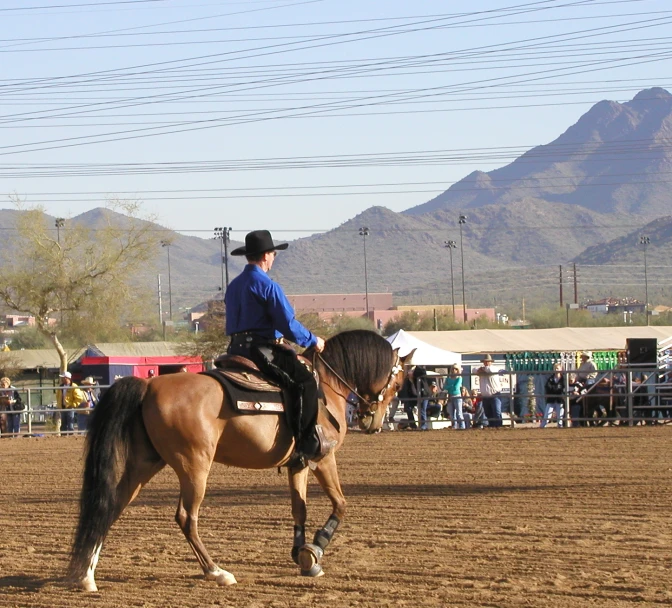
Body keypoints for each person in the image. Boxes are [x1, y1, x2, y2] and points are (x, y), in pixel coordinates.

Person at [225, 229, 334, 464]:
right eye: (273, 253)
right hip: (263, 350)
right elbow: (287, 325)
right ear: (265, 255)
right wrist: (314, 340)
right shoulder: (268, 285)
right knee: (304, 381)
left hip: (235, 349)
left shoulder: (233, 286)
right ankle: (306, 446)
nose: (274, 258)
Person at [475, 354, 503, 428]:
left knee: (497, 412)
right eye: (485, 362)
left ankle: (499, 427)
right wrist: (482, 370)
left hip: (495, 394)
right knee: (488, 413)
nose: (486, 363)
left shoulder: (494, 368)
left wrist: (482, 370)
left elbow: (489, 370)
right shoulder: (482, 369)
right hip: (486, 396)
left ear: (491, 362)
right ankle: (492, 427)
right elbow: (474, 370)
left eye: (488, 361)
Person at [541, 363, 565, 428]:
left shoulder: (563, 379)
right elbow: (548, 387)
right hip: (551, 399)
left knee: (560, 415)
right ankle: (542, 426)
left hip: (559, 399)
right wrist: (557, 388)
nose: (556, 370)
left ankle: (560, 427)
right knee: (547, 414)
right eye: (555, 368)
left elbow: (563, 388)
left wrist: (555, 388)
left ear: (561, 369)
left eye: (557, 368)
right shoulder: (550, 379)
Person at [443, 365, 465, 430]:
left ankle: (462, 426)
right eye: (453, 369)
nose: (454, 370)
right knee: (451, 413)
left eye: (455, 369)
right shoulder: (448, 378)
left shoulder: (459, 378)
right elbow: (444, 387)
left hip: (457, 396)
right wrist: (451, 386)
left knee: (459, 413)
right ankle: (454, 425)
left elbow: (456, 387)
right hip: (450, 396)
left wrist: (449, 386)